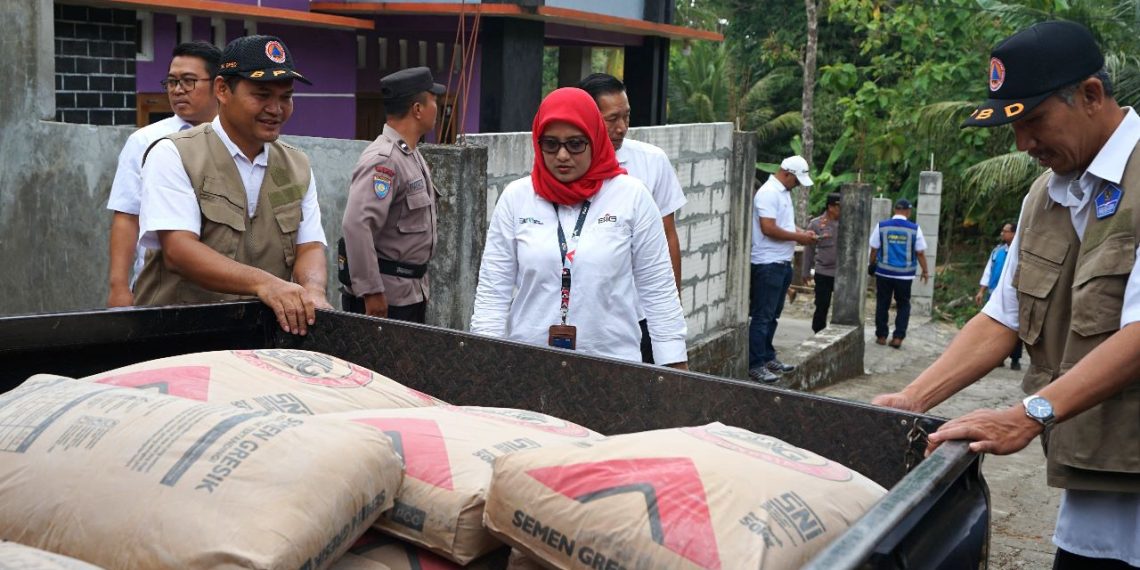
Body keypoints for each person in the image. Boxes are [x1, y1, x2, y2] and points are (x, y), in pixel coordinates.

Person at [873, 21, 1140, 569]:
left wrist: (1028, 414)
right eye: (1013, 128)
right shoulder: (1045, 196)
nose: (1023, 145)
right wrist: (914, 399)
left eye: (1035, 121)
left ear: (1091, 95)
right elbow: (1004, 317)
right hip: (1099, 486)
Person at [470, 87, 688, 369]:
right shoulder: (517, 198)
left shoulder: (631, 197)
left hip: (613, 367)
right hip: (527, 366)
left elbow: (658, 290)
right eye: (550, 144)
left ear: (595, 140)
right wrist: (482, 361)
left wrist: (674, 364)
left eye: (575, 144)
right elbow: (493, 290)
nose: (562, 155)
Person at [136, 35, 331, 335]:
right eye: (262, 95)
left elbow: (310, 245)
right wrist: (267, 284)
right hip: (178, 340)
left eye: (285, 97)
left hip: (257, 339)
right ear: (222, 90)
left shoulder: (297, 165)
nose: (276, 109)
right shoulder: (174, 154)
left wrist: (313, 290)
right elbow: (179, 251)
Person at [577, 73, 687, 364]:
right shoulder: (562, 166)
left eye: (626, 117)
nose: (622, 128)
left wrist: (670, 310)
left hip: (640, 313)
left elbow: (668, 235)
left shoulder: (651, 162)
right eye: (612, 119)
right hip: (580, 314)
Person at [105, 41, 221, 307]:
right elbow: (127, 215)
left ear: (219, 86)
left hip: (225, 284)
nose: (178, 90)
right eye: (171, 82)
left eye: (189, 81)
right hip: (158, 282)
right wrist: (119, 287)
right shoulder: (146, 140)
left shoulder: (234, 139)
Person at [339, 67, 442, 324]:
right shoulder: (384, 160)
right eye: (434, 101)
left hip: (409, 293)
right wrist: (371, 291)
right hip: (385, 299)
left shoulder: (410, 154)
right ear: (418, 109)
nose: (437, 108)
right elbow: (357, 224)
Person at [749, 156, 817, 383]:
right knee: (763, 316)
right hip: (767, 263)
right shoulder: (769, 193)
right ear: (786, 174)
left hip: (781, 262)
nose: (797, 185)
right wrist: (800, 237)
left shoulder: (783, 193)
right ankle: (755, 363)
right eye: (796, 181)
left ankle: (768, 356)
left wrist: (802, 234)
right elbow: (768, 228)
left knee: (773, 315)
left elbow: (783, 225)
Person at [868, 198, 929, 348]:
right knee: (903, 305)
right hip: (905, 275)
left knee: (882, 303)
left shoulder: (882, 226)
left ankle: (881, 336)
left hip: (884, 272)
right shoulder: (914, 228)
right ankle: (898, 338)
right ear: (908, 211)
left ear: (895, 210)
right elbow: (920, 252)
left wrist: (871, 264)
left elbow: (874, 248)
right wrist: (925, 270)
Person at [975, 222, 1022, 370]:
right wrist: (981, 290)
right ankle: (997, 357)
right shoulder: (997, 251)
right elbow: (989, 271)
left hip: (1015, 295)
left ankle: (1015, 358)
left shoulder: (1021, 252)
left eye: (1005, 231)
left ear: (1014, 234)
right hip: (995, 293)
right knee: (995, 326)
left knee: (1015, 327)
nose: (1002, 234)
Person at [803, 193, 841, 333]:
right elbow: (809, 250)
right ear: (831, 207)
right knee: (822, 304)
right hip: (823, 272)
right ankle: (818, 332)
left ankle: (837, 333)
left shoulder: (848, 223)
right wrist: (805, 272)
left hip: (842, 274)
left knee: (842, 307)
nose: (841, 210)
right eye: (839, 207)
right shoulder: (816, 224)